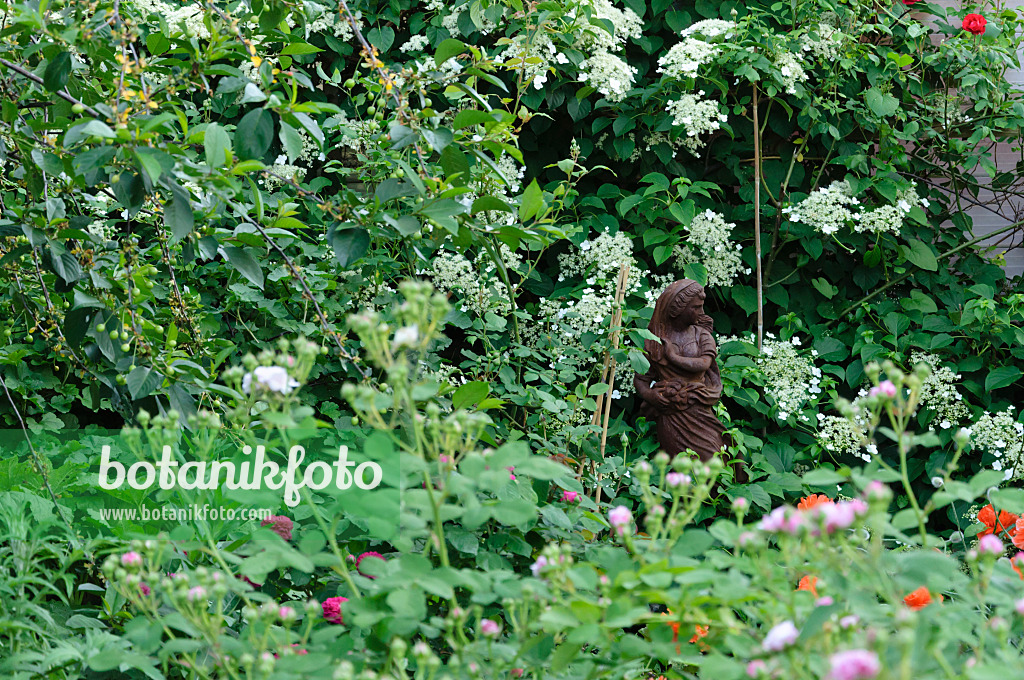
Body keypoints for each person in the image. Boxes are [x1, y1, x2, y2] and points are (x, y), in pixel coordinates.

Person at [634, 279, 746, 480]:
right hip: (671, 415)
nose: (701, 312)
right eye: (695, 308)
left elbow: (704, 364)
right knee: (684, 468)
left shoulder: (702, 335)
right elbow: (642, 378)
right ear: (677, 310)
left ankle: (718, 501)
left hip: (699, 407)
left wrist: (673, 357)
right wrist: (652, 395)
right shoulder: (655, 341)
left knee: (717, 454)